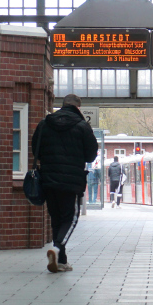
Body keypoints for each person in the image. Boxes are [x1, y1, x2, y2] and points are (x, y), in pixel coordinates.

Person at [31, 94, 98, 273]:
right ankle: (57, 248)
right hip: (71, 181)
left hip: (48, 179)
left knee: (56, 218)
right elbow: (91, 155)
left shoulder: (44, 124)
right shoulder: (82, 126)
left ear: (63, 105)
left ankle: (61, 261)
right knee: (70, 218)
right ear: (78, 107)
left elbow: (35, 150)